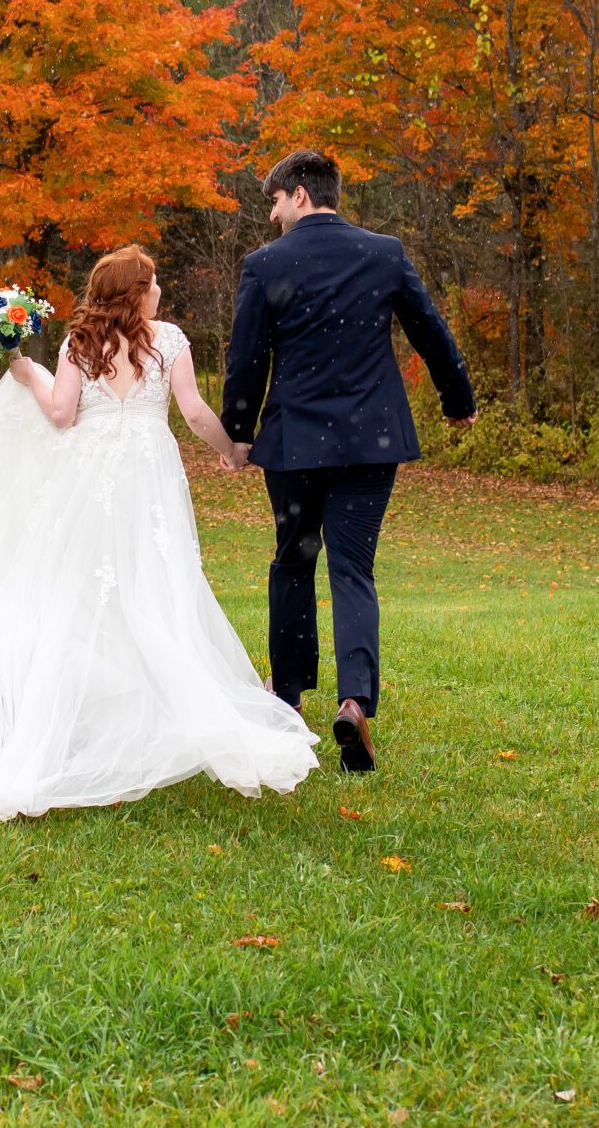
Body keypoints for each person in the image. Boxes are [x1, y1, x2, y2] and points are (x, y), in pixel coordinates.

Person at [0, 246, 317, 820]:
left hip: (89, 475)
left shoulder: (79, 344)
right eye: (153, 282)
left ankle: (91, 716)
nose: (160, 289)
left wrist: (28, 374)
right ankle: (138, 715)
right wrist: (231, 448)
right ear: (137, 292)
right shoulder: (169, 340)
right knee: (153, 586)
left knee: (81, 593)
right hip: (147, 473)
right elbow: (194, 412)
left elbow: (61, 415)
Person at [221, 149, 476, 772]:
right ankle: (354, 699)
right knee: (354, 568)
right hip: (370, 440)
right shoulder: (383, 253)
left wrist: (238, 432)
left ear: (300, 194)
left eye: (275, 201)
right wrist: (457, 400)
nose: (273, 215)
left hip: (294, 444)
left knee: (294, 558)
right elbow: (430, 330)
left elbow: (247, 358)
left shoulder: (265, 264)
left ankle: (287, 694)